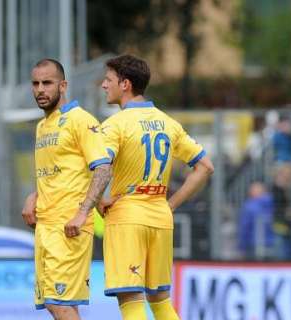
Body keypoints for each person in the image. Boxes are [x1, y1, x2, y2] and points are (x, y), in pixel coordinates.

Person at [98, 54, 214, 320]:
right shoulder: (168, 122)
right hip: (160, 216)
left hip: (127, 215)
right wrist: (170, 204)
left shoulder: (115, 125)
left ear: (125, 84)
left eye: (108, 80)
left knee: (131, 299)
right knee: (160, 300)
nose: (104, 85)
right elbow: (205, 166)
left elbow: (100, 168)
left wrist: (96, 202)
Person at [21, 58, 112, 320]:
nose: (40, 89)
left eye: (47, 83)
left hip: (69, 227)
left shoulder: (80, 120)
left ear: (63, 85)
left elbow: (102, 168)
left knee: (59, 304)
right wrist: (33, 196)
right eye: (35, 83)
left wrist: (83, 212)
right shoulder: (42, 126)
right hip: (45, 228)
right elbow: (54, 173)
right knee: (54, 304)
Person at [237, 182, 275, 260]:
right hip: (272, 242)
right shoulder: (273, 204)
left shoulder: (249, 206)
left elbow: (245, 227)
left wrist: (242, 246)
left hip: (252, 243)